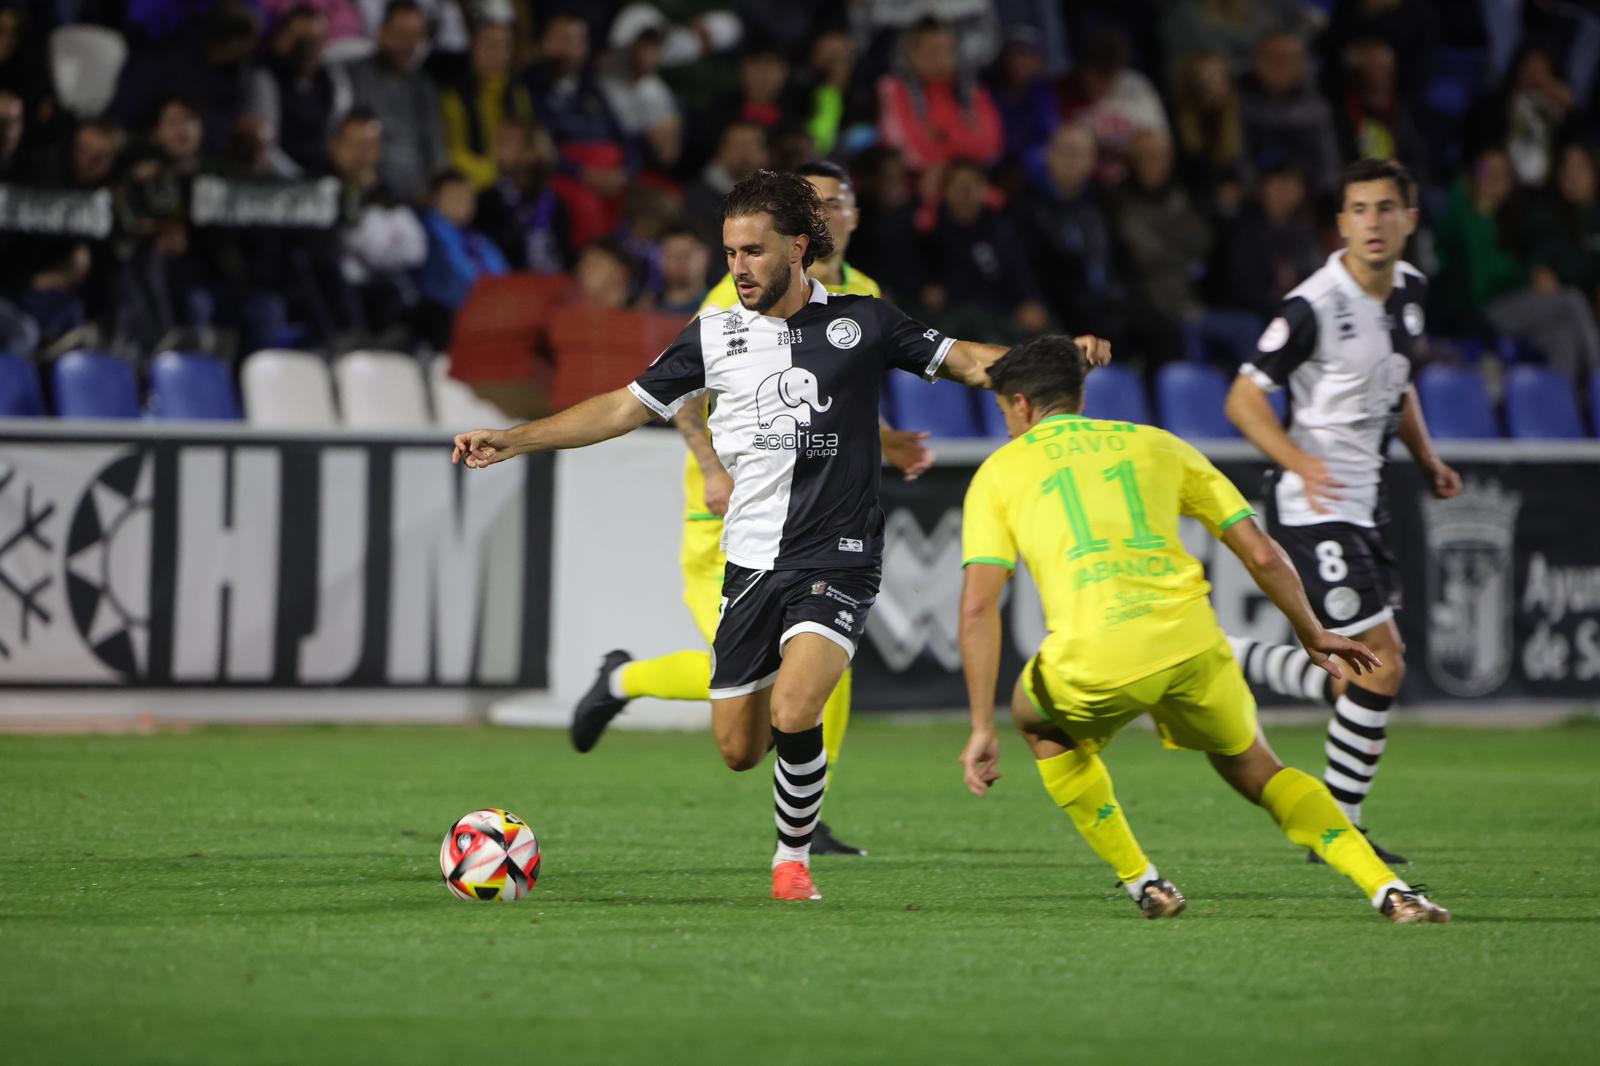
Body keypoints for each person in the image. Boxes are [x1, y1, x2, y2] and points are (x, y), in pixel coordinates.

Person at [453, 170, 1078, 902]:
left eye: (752, 252)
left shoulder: (864, 319)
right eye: (730, 253)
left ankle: (792, 861)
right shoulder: (714, 333)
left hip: (838, 554)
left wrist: (1054, 366)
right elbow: (624, 409)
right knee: (739, 749)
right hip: (749, 560)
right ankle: (637, 686)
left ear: (798, 248)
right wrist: (514, 440)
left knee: (795, 710)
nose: (738, 268)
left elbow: (969, 362)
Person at [956, 335, 1449, 924]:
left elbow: (979, 607)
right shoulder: (1159, 444)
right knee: (1261, 771)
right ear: (1076, 395)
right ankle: (1390, 890)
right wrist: (1313, 631)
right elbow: (1263, 554)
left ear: (1020, 405)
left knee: (1037, 722)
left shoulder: (999, 472)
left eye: (1004, 413)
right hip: (1194, 645)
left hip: (1095, 656)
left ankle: (1143, 880)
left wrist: (981, 725)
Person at [565, 161, 941, 860]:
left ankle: (805, 822)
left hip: (815, 529)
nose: (829, 214)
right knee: (737, 683)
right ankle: (620, 679)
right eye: (818, 202)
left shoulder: (862, 294)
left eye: (837, 202)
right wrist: (711, 469)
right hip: (728, 517)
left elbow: (830, 389)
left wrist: (881, 439)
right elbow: (681, 388)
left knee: (822, 666)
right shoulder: (740, 284)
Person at [1223, 159, 1463, 864]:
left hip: (1367, 505)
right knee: (1381, 665)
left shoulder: (1411, 292)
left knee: (1357, 670)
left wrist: (1427, 458)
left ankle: (1221, 657)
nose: (1373, 222)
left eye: (1387, 208)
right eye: (1359, 209)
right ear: (1341, 224)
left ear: (1409, 219)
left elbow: (1398, 384)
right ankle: (1338, 831)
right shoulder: (1313, 305)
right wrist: (1301, 465)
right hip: (1314, 506)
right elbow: (1242, 400)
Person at [343, 0, 448, 204]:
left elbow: (436, 149)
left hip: (419, 196)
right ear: (382, 32)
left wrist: (438, 187)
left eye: (415, 36)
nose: (407, 44)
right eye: (400, 33)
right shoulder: (354, 76)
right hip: (369, 190)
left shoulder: (425, 86)